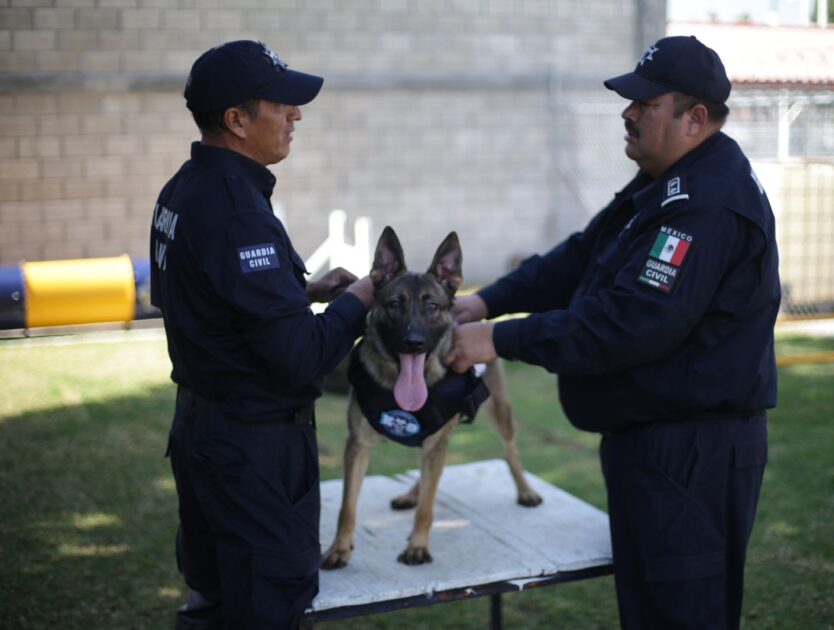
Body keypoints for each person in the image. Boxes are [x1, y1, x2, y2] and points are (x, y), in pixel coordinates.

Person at [446, 35, 780, 629]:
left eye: (646, 104)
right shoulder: (665, 181)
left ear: (693, 118)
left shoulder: (706, 203)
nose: (627, 112)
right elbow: (582, 256)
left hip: (690, 452)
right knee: (651, 610)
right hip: (654, 442)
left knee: (680, 616)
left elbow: (633, 321)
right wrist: (487, 303)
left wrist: (502, 339)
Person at [150, 40, 374, 629]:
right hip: (253, 455)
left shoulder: (182, 190)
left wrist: (299, 292)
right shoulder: (238, 209)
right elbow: (301, 360)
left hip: (203, 436)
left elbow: (198, 303)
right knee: (264, 607)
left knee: (213, 602)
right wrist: (360, 300)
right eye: (281, 104)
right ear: (237, 120)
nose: (295, 114)